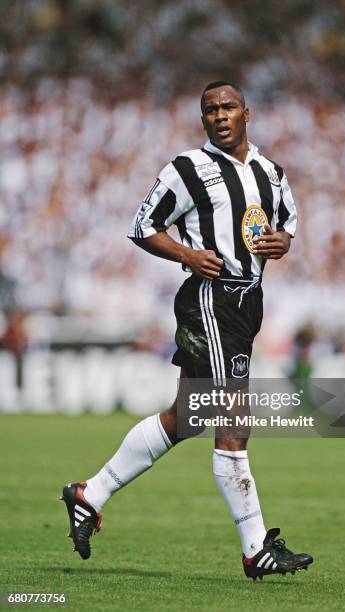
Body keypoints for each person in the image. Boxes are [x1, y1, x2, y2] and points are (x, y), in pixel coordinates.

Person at [60, 81, 313, 581]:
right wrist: (187, 255)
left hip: (248, 303)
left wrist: (284, 240)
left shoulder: (271, 172)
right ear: (203, 122)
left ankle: (90, 493)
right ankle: (255, 548)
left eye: (228, 107)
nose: (219, 115)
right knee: (233, 424)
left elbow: (287, 222)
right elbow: (142, 225)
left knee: (186, 417)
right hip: (209, 301)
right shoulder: (186, 170)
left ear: (247, 113)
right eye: (210, 110)